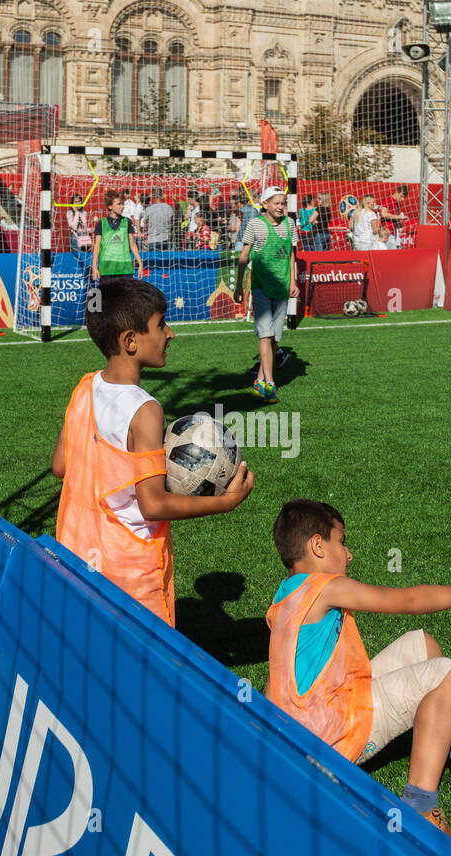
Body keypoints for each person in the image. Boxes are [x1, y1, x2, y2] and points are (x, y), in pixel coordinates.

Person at [266, 498, 451, 843]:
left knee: (421, 645)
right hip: (334, 737)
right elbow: (407, 601)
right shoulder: (325, 587)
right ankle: (419, 809)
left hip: (307, 734)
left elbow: (277, 686)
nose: (348, 554)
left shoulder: (282, 600)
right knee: (449, 675)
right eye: (341, 541)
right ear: (318, 545)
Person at [51, 278, 254, 627]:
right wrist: (226, 502)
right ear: (130, 341)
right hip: (130, 571)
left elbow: (60, 467)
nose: (170, 334)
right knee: (145, 669)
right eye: (161, 324)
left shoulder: (84, 387)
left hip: (76, 552)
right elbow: (153, 504)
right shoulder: (145, 410)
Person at [235, 186, 299, 403]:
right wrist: (238, 286)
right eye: (276, 203)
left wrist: (293, 280)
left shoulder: (290, 224)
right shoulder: (254, 225)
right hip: (261, 287)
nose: (281, 207)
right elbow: (244, 257)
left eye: (283, 203)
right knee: (265, 334)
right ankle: (270, 384)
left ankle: (260, 380)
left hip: (282, 287)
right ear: (265, 205)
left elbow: (291, 255)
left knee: (274, 339)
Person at [91, 189, 143, 282]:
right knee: (108, 296)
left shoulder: (127, 221)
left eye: (123, 204)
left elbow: (133, 245)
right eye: (119, 204)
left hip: (125, 267)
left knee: (127, 296)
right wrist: (94, 267)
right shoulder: (102, 223)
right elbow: (97, 247)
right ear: (110, 206)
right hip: (107, 268)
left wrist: (140, 264)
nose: (122, 206)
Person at [143, 187, 176, 252]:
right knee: (167, 261)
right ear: (162, 196)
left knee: (152, 262)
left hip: (153, 240)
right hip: (166, 240)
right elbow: (172, 224)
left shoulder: (149, 209)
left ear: (153, 196)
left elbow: (145, 225)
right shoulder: (169, 208)